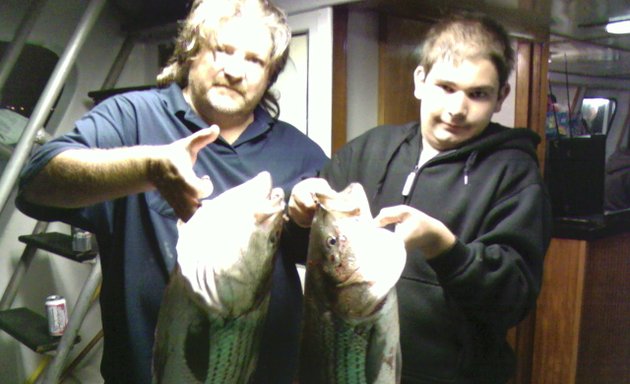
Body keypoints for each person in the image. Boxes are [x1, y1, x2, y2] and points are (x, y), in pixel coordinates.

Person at [16, 0, 327, 383]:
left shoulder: (300, 152)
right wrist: (147, 169)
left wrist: (307, 219)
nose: (233, 71)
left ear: (269, 75)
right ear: (191, 52)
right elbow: (35, 183)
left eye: (254, 61)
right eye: (222, 50)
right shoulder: (130, 119)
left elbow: (321, 264)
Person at [289, 11, 552, 383]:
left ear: (500, 97)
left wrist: (444, 248)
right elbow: (308, 253)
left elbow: (512, 300)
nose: (457, 109)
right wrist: (298, 217)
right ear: (420, 81)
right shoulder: (369, 149)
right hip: (349, 366)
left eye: (477, 94)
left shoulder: (514, 174)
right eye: (446, 87)